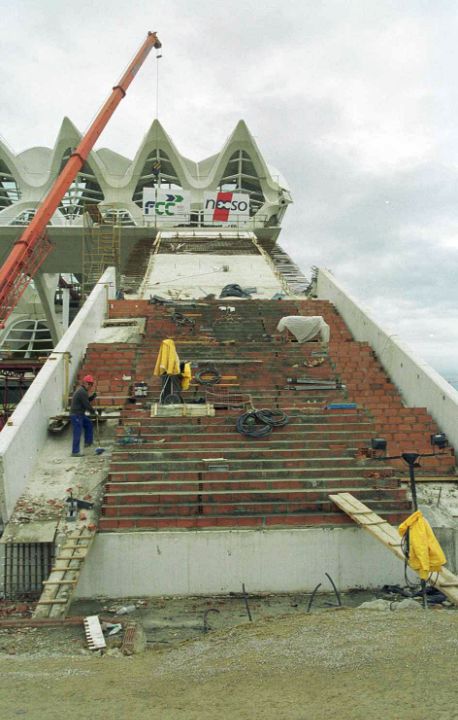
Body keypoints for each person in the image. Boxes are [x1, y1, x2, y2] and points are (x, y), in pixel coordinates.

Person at [70, 374, 97, 456]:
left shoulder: (82, 391)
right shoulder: (82, 392)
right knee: (77, 432)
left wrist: (92, 397)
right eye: (90, 384)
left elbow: (86, 400)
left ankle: (88, 442)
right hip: (76, 415)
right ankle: (75, 452)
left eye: (92, 384)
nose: (91, 386)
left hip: (80, 414)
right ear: (86, 383)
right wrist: (93, 412)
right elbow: (86, 405)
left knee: (89, 424)